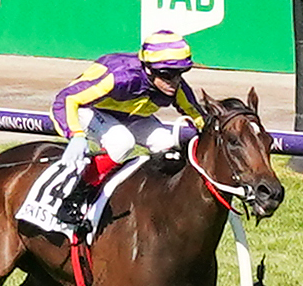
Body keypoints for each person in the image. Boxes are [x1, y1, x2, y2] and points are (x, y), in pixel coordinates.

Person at [43, 30, 205, 220]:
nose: (175, 82)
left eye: (180, 73)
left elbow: (199, 116)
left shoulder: (175, 86)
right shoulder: (120, 77)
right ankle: (75, 195)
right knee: (121, 142)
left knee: (167, 144)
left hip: (131, 116)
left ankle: (154, 197)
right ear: (148, 70)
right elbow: (67, 99)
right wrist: (76, 135)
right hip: (89, 109)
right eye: (167, 75)